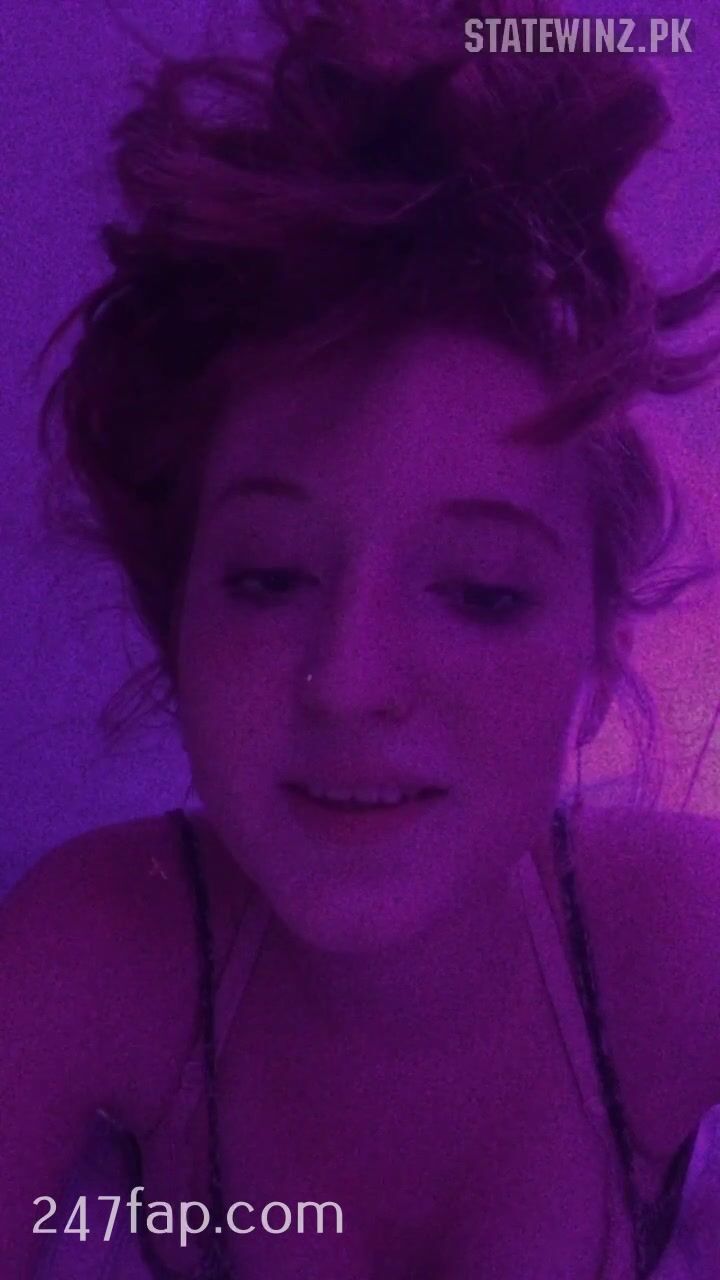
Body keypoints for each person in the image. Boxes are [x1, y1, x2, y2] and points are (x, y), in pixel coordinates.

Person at [3, 1, 720, 1277]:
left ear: (599, 657)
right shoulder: (91, 949)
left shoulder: (683, 940)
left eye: (481, 591)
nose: (348, 679)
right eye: (270, 577)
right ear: (177, 620)